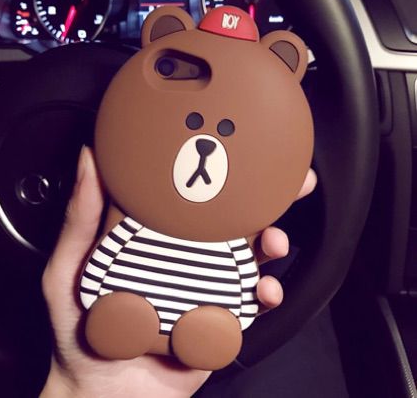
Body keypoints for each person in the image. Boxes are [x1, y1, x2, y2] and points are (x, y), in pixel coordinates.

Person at [40, 147, 317, 397]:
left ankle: (204, 329)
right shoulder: (141, 216)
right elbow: (112, 249)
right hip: (125, 311)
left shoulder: (226, 233)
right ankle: (130, 318)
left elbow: (242, 269)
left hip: (198, 318)